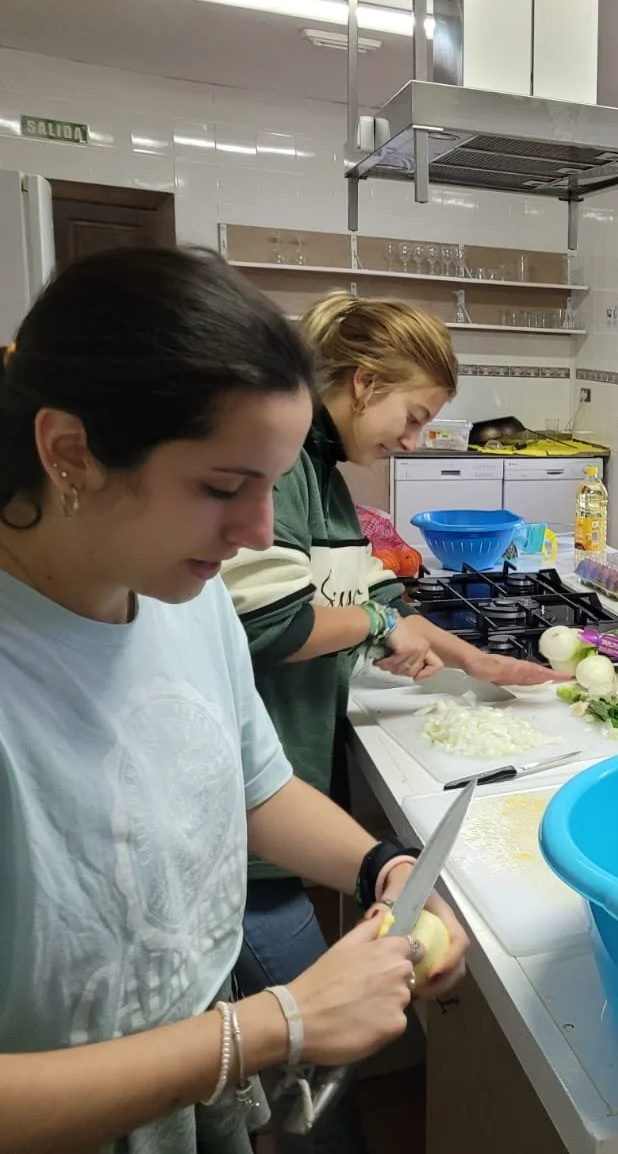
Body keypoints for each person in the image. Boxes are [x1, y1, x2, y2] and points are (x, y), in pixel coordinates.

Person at [0, 247, 468, 1153]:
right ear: (70, 454)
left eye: (270, 484)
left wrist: (384, 868)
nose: (258, 532)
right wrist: (271, 1028)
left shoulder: (188, 594)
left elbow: (253, 788)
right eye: (222, 487)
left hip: (187, 1094)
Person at [220, 292, 561, 1151]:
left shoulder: (325, 478)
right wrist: (375, 624)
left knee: (315, 1046)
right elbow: (273, 623)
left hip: (285, 797)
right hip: (244, 835)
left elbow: (374, 594)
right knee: (314, 1057)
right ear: (365, 382)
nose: (413, 442)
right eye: (413, 417)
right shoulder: (288, 467)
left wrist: (479, 663)